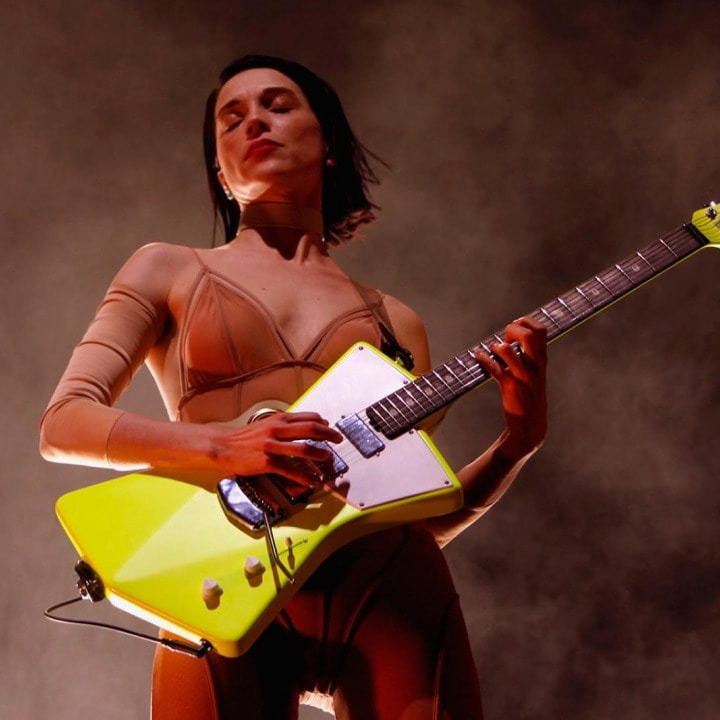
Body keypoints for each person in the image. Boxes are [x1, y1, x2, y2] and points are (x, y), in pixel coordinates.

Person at [40, 55, 548, 720]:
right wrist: (224, 447)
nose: (254, 121)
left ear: (328, 142)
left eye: (277, 105)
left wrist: (515, 447)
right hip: (215, 581)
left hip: (391, 595)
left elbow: (411, 518)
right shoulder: (167, 269)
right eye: (231, 119)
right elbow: (64, 423)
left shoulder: (397, 323)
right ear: (220, 173)